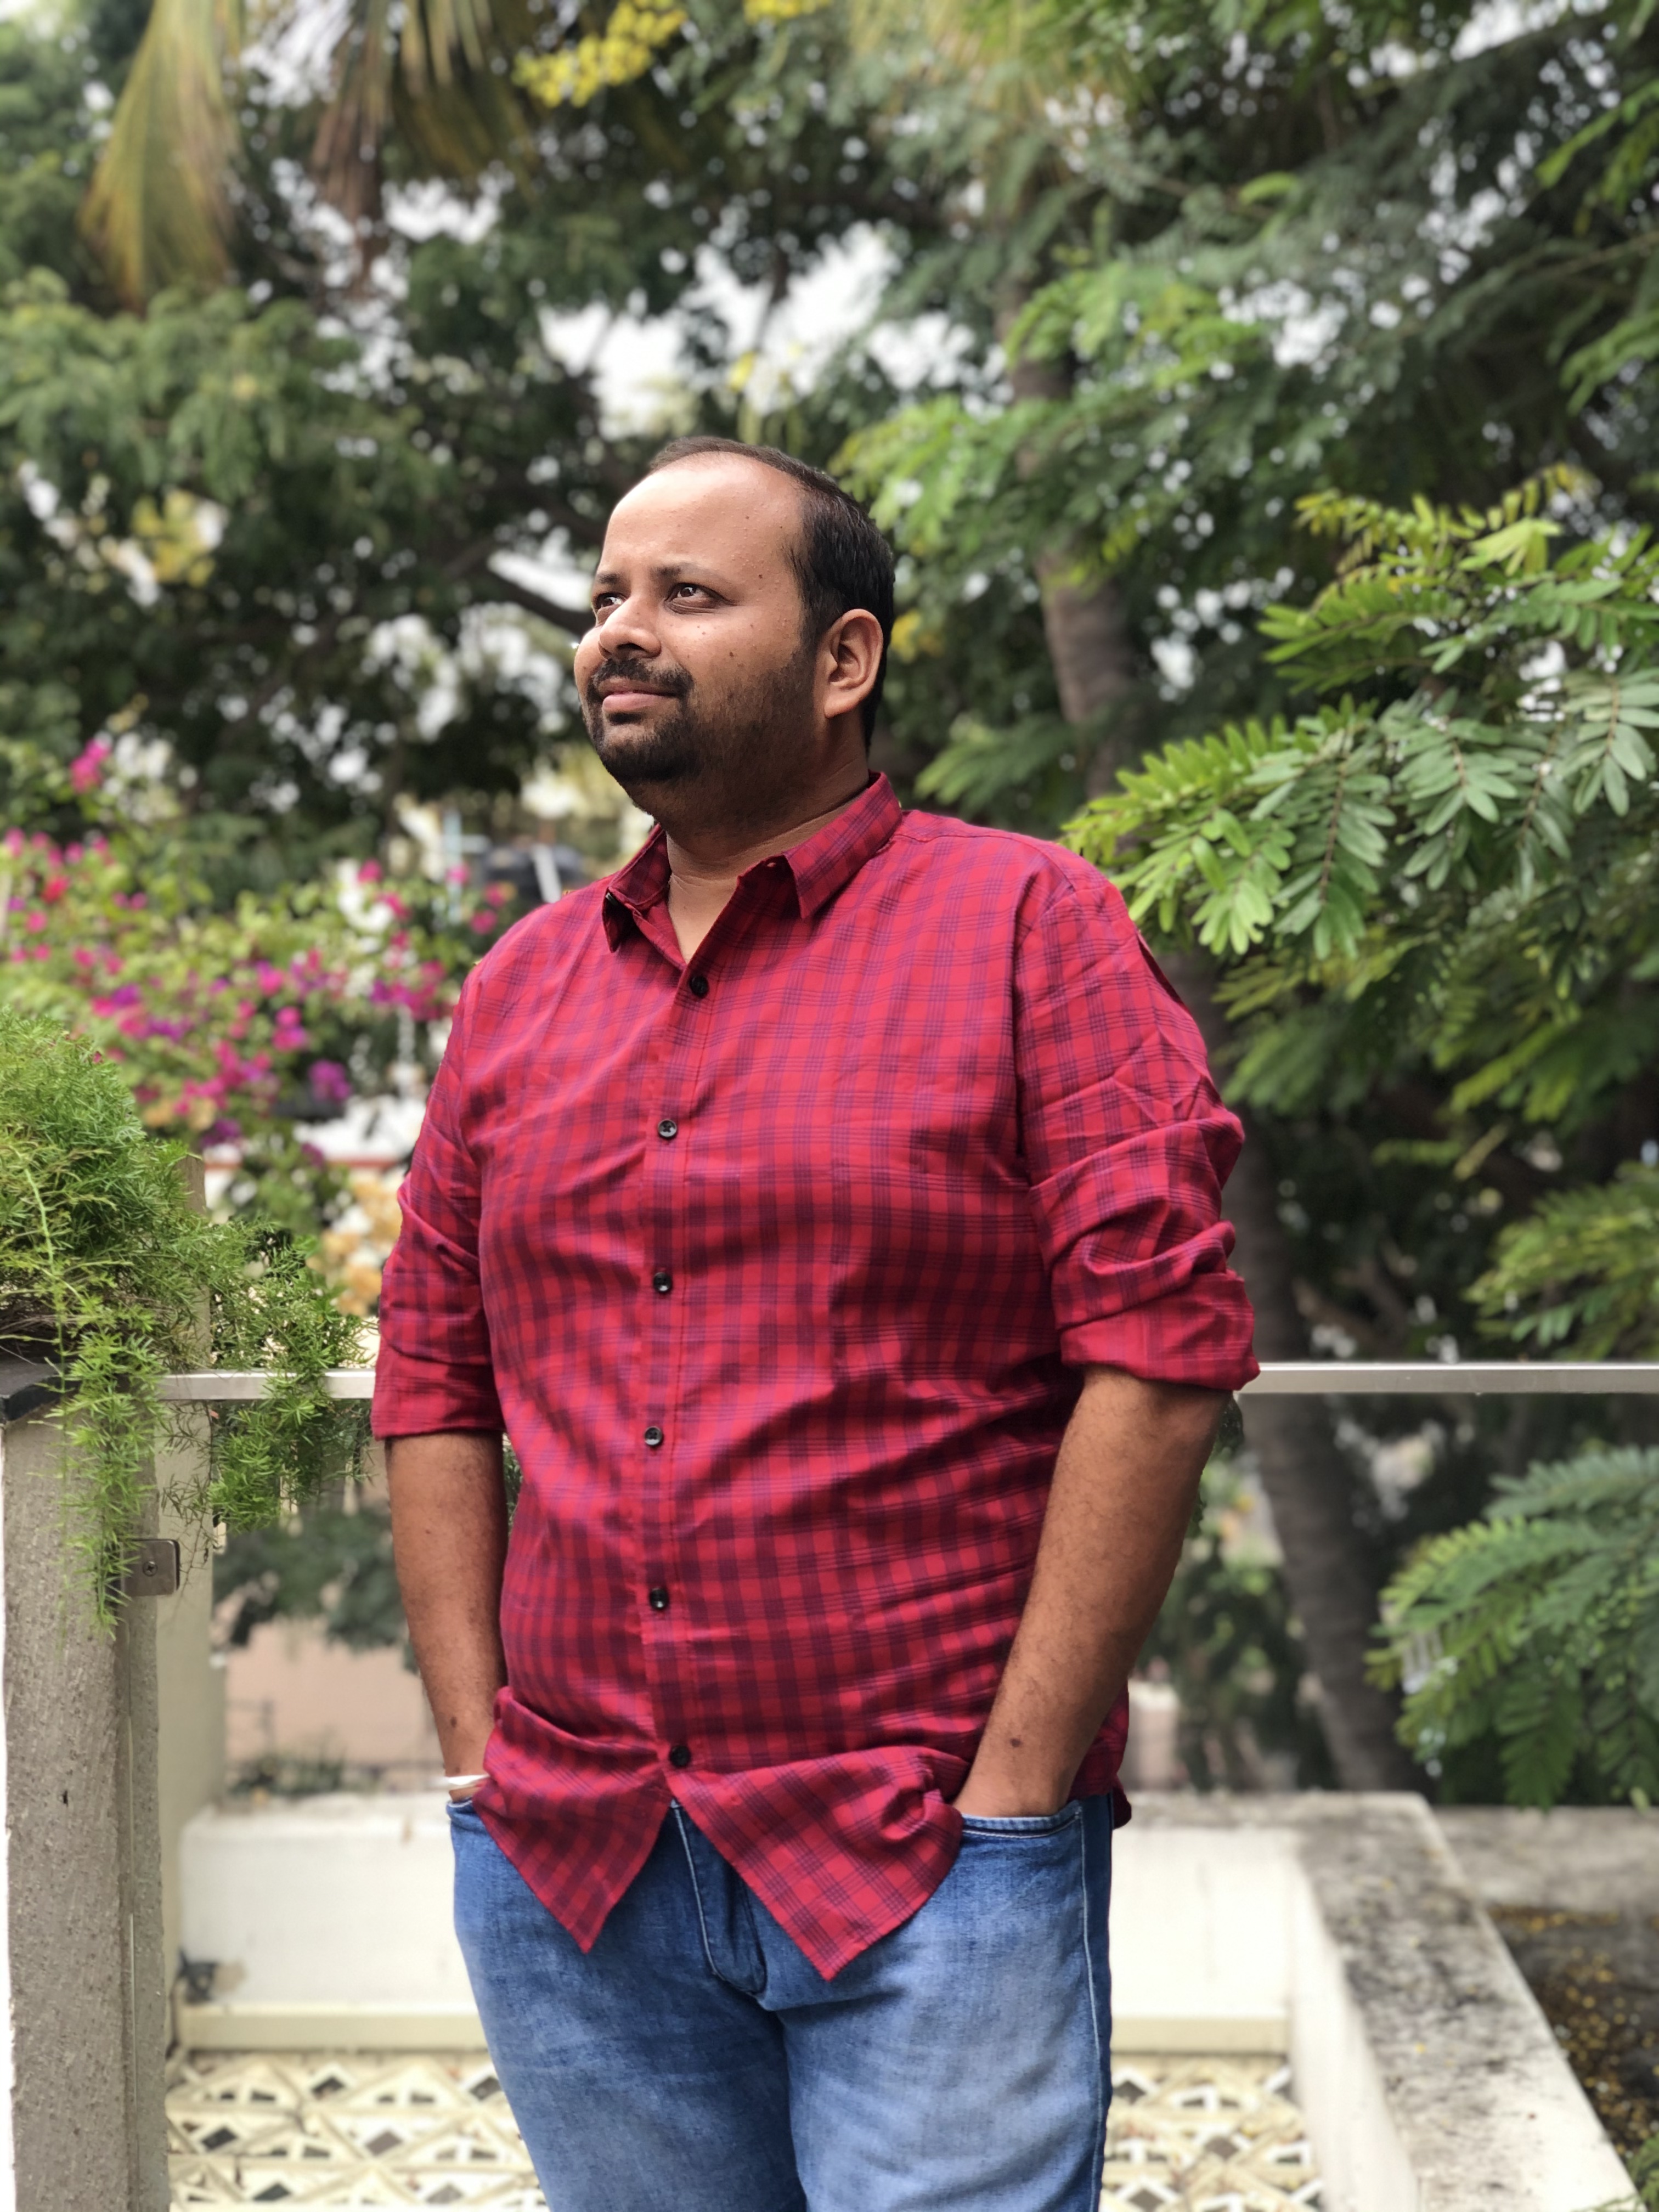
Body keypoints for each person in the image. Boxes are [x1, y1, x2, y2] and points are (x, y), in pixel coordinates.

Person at [373, 437, 1257, 2212]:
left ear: (845, 658)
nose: (621, 632)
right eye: (608, 595)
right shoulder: (520, 989)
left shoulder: (1030, 925)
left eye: (689, 595)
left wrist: (1015, 1798)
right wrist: (477, 1766)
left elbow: (1158, 1358)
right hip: (578, 1867)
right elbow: (434, 1373)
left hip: (927, 1857)